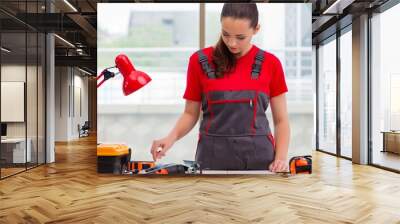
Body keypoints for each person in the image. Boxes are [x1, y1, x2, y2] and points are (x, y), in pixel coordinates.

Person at [151, 3, 290, 172]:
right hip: (211, 158)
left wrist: (281, 159)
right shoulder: (198, 61)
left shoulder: (271, 64)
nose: (232, 43)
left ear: (256, 29)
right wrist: (170, 138)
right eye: (226, 34)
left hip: (259, 160)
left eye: (240, 37)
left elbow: (281, 121)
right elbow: (190, 113)